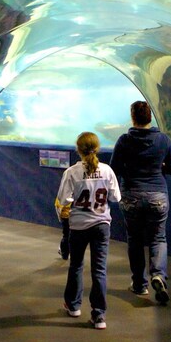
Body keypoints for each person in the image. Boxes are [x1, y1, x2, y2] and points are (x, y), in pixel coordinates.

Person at [110, 100, 171, 305]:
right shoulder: (164, 140)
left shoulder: (124, 141)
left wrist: (131, 169)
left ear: (133, 117)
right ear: (150, 117)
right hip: (158, 195)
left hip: (131, 195)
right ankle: (158, 275)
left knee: (135, 239)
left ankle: (140, 285)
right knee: (158, 238)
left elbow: (114, 167)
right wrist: (159, 167)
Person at [55, 132, 121, 329]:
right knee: (99, 269)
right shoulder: (107, 171)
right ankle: (99, 315)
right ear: (97, 148)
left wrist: (63, 217)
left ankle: (74, 306)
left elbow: (63, 200)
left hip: (78, 226)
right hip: (102, 226)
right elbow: (116, 197)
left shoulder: (72, 173)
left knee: (76, 265)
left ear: (78, 149)